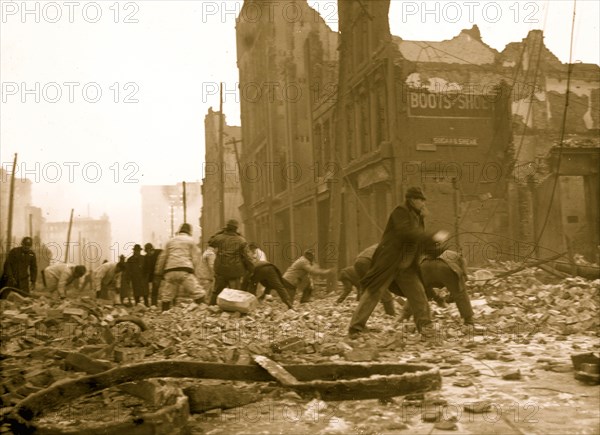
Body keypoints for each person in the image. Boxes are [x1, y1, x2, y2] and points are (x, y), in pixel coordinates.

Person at [348, 186, 447, 338]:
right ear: (413, 200)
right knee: (374, 292)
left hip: (407, 266)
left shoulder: (418, 217)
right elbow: (406, 233)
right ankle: (355, 328)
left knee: (418, 294)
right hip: (390, 262)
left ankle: (426, 328)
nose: (423, 204)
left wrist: (436, 248)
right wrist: (432, 236)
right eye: (421, 200)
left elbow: (418, 242)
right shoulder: (400, 212)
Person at [402, 250, 475, 325]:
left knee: (417, 290)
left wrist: (438, 299)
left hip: (425, 266)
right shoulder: (460, 258)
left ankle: (405, 316)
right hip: (444, 268)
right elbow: (463, 276)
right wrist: (464, 277)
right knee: (460, 292)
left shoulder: (440, 252)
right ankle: (469, 320)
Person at [155, 223, 206, 311]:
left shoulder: (170, 241)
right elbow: (196, 258)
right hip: (184, 270)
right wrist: (195, 272)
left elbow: (162, 258)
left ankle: (164, 314)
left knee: (166, 296)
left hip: (170, 271)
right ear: (189, 231)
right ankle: (201, 313)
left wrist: (158, 272)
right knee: (199, 293)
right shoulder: (190, 241)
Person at [208, 219, 254, 305]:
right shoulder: (241, 240)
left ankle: (210, 309)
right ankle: (235, 313)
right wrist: (251, 269)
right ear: (236, 228)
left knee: (216, 291)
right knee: (235, 293)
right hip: (235, 271)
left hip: (221, 270)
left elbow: (210, 241)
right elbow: (247, 257)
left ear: (226, 228)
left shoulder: (219, 238)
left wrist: (220, 232)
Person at [196, 239, 217, 304]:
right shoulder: (211, 254)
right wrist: (217, 275)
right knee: (206, 299)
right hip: (206, 279)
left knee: (202, 297)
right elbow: (212, 266)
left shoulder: (206, 252)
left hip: (202, 277)